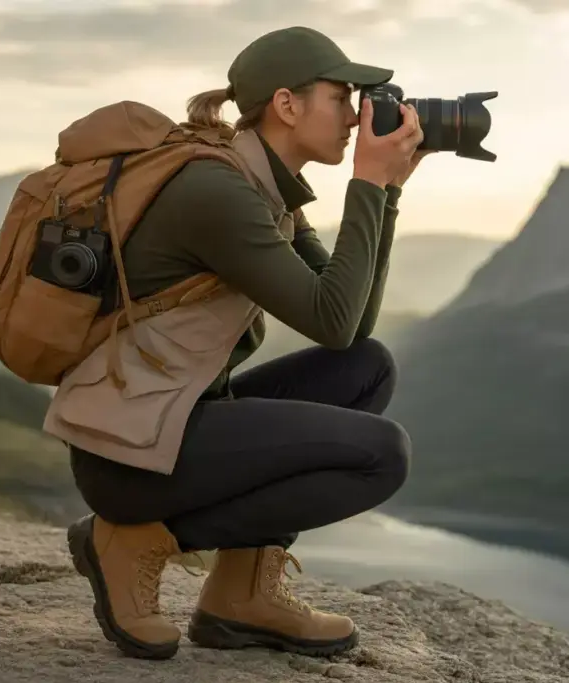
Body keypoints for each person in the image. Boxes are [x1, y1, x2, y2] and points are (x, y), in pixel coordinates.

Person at [63, 26, 429, 661]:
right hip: (133, 456)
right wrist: (369, 182)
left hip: (170, 427)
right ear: (287, 105)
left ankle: (240, 594)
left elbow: (353, 328)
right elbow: (332, 316)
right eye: (342, 98)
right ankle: (132, 540)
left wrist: (387, 193)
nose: (357, 116)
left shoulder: (264, 187)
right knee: (381, 455)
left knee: (365, 370)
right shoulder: (217, 192)